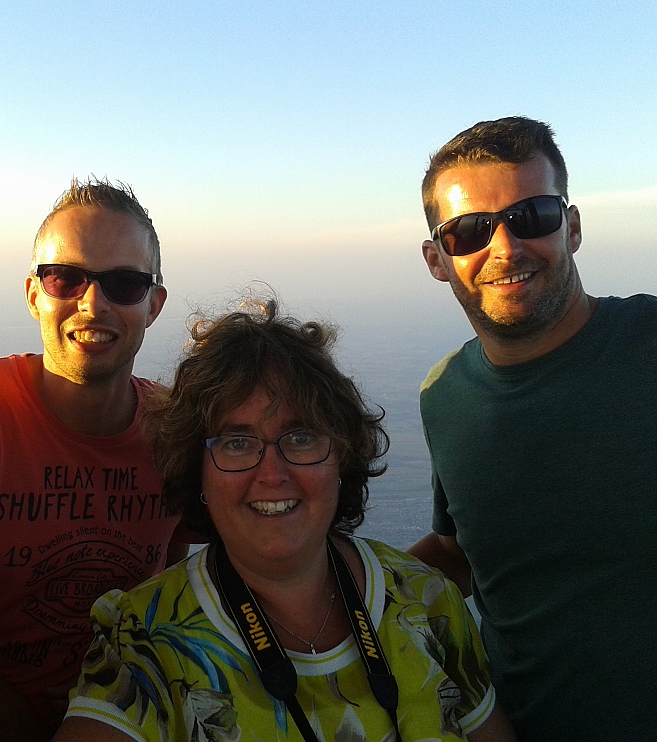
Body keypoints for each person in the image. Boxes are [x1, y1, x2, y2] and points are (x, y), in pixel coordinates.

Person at [56, 299, 516, 741]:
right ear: (198, 473)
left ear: (341, 456)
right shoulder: (144, 642)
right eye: (237, 443)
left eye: (300, 437)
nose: (272, 475)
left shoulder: (428, 602)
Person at [410, 115, 657, 740]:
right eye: (469, 231)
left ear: (572, 228)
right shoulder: (445, 394)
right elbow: (460, 551)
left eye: (532, 216)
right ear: (437, 259)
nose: (505, 248)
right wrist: (324, 585)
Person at [0, 178, 188, 739]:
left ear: (154, 304)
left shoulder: (176, 432)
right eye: (65, 278)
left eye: (124, 283)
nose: (92, 304)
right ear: (33, 293)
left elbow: (180, 588)